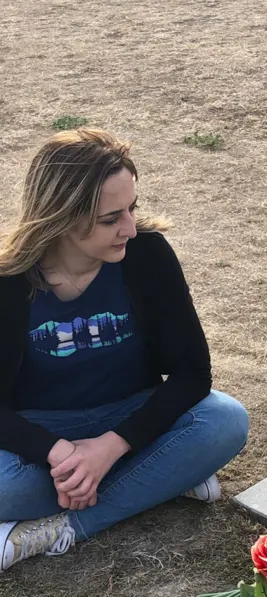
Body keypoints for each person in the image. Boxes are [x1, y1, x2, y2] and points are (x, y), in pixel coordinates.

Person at [0, 128, 249, 572]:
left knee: (225, 421)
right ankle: (167, 476)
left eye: (131, 209)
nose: (130, 228)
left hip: (131, 418)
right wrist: (59, 453)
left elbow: (193, 374)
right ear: (60, 216)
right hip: (39, 438)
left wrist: (110, 448)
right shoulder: (8, 281)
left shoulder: (147, 255)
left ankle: (67, 527)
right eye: (110, 218)